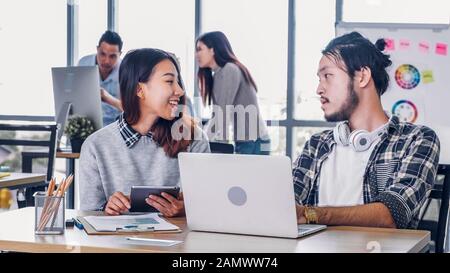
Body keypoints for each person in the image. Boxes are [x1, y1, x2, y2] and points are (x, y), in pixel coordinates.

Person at [293, 32, 440, 229]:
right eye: (319, 79)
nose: (319, 89)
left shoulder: (418, 140)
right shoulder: (317, 144)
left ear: (362, 76)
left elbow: (391, 214)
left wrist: (310, 214)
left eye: (328, 76)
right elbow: (287, 202)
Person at [79, 48, 210, 217]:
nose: (179, 91)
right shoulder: (95, 146)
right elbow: (89, 214)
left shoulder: (194, 139)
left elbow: (208, 204)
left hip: (180, 242)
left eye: (178, 82)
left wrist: (185, 210)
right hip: (115, 243)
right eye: (169, 81)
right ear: (140, 90)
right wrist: (107, 208)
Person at [196, 31, 270, 155]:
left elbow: (222, 113)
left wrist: (202, 143)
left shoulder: (229, 70)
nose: (196, 54)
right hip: (249, 140)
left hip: (253, 141)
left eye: (199, 49)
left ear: (212, 50)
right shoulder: (219, 74)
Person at [78, 30, 123, 126]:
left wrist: (108, 98)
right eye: (102, 54)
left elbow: (131, 111)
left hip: (115, 126)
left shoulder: (125, 70)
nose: (106, 61)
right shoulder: (83, 63)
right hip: (87, 124)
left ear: (120, 54)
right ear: (97, 49)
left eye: (112, 56)